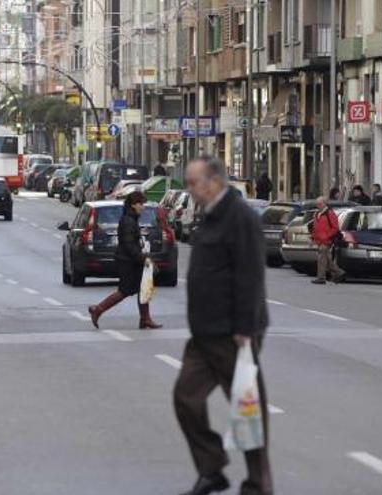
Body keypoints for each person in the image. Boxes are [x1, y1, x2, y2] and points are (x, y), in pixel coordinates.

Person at [174, 155, 273, 495]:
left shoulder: (240, 217)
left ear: (214, 181)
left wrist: (245, 329)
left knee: (247, 409)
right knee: (186, 398)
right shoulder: (209, 215)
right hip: (203, 334)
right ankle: (212, 466)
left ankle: (259, 484)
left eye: (193, 183)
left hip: (234, 333)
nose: (189, 189)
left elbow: (250, 275)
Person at [88, 191, 162, 330]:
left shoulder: (131, 218)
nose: (143, 207)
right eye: (141, 204)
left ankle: (145, 319)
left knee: (143, 288)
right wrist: (142, 258)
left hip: (131, 260)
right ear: (134, 205)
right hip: (128, 262)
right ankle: (97, 310)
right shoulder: (128, 220)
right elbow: (128, 245)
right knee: (124, 291)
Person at [310, 196, 346, 285]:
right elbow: (315, 228)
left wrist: (326, 236)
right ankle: (339, 273)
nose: (317, 205)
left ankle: (321, 277)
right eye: (317, 204)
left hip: (326, 240)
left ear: (324, 203)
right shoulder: (317, 214)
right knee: (327, 259)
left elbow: (335, 228)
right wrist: (313, 238)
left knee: (322, 258)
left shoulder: (330, 213)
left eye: (319, 203)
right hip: (319, 240)